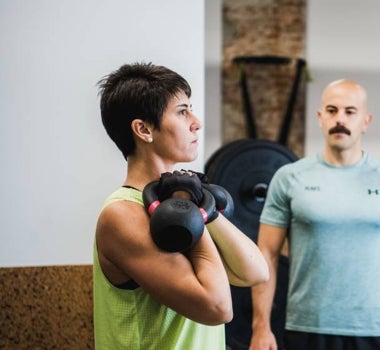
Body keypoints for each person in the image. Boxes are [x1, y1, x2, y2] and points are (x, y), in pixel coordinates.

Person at [94, 62, 269, 349]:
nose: (196, 121)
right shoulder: (122, 214)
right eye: (182, 111)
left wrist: (203, 209)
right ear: (143, 129)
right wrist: (188, 208)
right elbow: (218, 308)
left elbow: (256, 273)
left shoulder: (181, 199)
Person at [249, 79, 380, 350]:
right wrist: (261, 327)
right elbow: (266, 255)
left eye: (350, 112)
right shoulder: (289, 178)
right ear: (320, 118)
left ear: (365, 121)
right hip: (306, 328)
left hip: (372, 330)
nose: (339, 119)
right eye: (331, 111)